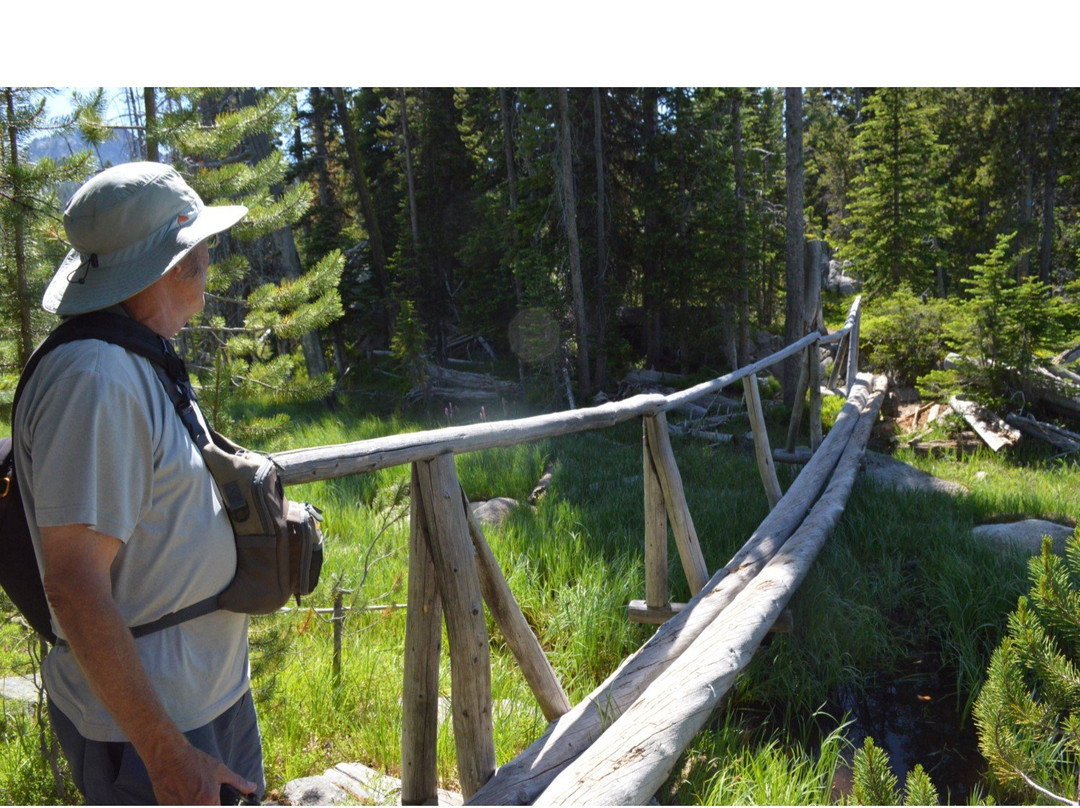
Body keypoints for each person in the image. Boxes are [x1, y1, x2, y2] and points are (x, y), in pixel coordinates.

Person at [13, 162, 264, 805]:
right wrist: (166, 753)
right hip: (150, 739)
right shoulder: (94, 380)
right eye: (199, 259)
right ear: (163, 268)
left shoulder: (133, 355)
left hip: (203, 702)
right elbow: (73, 585)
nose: (206, 282)